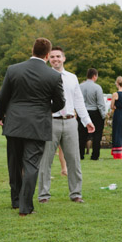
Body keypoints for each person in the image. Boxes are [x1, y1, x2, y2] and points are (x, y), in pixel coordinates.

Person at [0, 38, 65, 216]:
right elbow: (60, 102)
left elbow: (2, 98)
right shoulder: (54, 76)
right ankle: (26, 207)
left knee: (14, 164)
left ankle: (16, 201)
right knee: (32, 165)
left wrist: (0, 116)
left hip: (15, 123)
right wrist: (45, 110)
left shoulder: (13, 70)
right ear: (48, 55)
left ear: (32, 50)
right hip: (38, 125)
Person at [38, 47, 95, 204]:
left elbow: (79, 101)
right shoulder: (43, 77)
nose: (55, 59)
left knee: (74, 159)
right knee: (46, 160)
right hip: (50, 121)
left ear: (64, 58)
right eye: (52, 57)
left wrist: (87, 121)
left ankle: (76, 193)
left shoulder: (72, 78)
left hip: (70, 121)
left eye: (58, 56)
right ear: (48, 59)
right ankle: (43, 195)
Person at [79, 68, 107, 161]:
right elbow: (100, 103)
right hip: (95, 112)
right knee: (97, 135)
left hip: (83, 112)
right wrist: (103, 115)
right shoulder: (97, 87)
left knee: (81, 134)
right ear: (94, 76)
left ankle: (80, 154)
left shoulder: (80, 86)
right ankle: (95, 156)